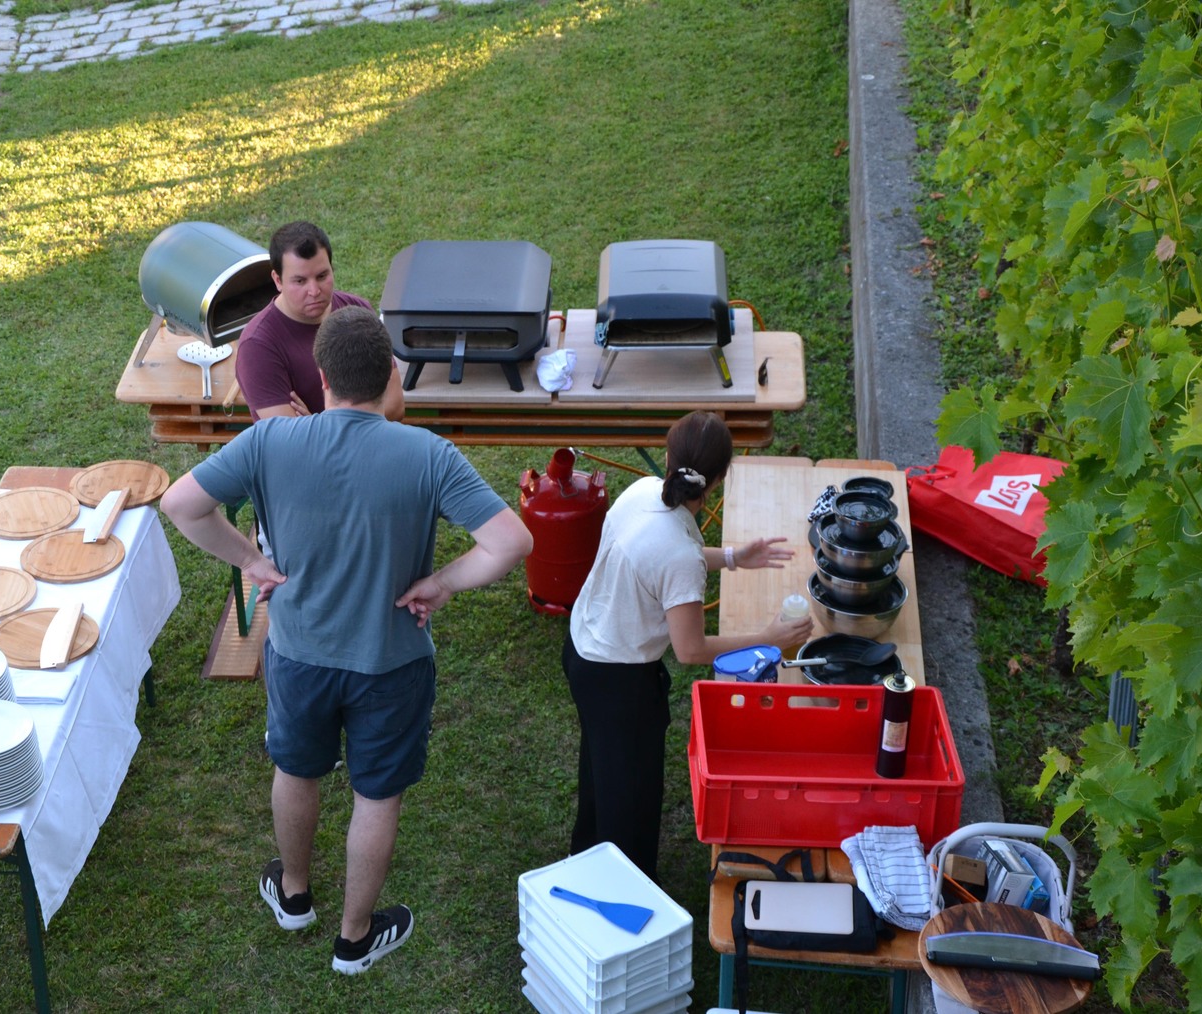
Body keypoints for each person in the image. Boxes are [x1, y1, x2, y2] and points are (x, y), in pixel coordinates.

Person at [160, 305, 532, 975]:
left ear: (322, 376)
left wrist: (249, 561)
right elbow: (510, 542)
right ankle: (354, 940)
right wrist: (442, 583)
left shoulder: (269, 441)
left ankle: (294, 896)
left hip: (297, 654)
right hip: (391, 663)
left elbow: (180, 505)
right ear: (390, 375)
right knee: (376, 797)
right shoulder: (428, 454)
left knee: (296, 770)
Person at [561, 411, 812, 881]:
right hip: (619, 683)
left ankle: (586, 856)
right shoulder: (678, 554)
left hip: (581, 649)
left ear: (668, 457)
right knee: (630, 801)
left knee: (601, 771)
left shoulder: (642, 493)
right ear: (718, 480)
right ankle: (626, 888)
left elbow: (667, 559)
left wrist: (734, 557)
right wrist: (770, 639)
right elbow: (691, 649)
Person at [235, 220, 403, 421]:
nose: (314, 291)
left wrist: (317, 424)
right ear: (278, 280)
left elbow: (395, 406)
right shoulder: (258, 345)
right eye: (300, 281)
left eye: (322, 276)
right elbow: (288, 436)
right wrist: (362, 417)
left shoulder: (358, 313)